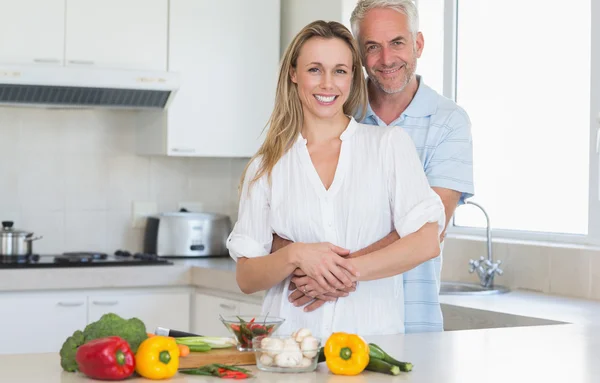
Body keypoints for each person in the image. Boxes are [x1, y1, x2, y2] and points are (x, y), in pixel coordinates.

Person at [226, 20, 445, 338]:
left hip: (371, 347)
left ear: (353, 77)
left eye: (340, 70)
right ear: (293, 73)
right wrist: (296, 255)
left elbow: (426, 241)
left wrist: (344, 273)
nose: (327, 84)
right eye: (314, 69)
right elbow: (246, 278)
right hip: (288, 351)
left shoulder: (388, 145)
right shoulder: (268, 165)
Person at [281, 0, 474, 334]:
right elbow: (277, 222)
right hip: (320, 320)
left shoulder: (448, 123)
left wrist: (332, 274)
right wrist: (311, 264)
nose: (386, 59)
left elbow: (428, 229)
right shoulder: (331, 110)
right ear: (358, 54)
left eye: (397, 42)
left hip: (413, 320)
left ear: (418, 44)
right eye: (372, 47)